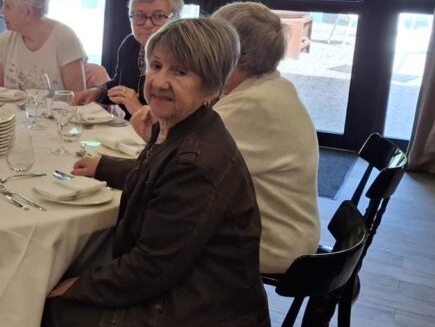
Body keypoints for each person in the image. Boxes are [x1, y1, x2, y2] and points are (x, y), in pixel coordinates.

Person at [45, 18, 269, 326]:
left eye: (180, 72)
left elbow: (150, 267)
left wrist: (79, 286)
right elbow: (159, 177)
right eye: (156, 65)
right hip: (195, 288)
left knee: (51, 306)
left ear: (211, 84)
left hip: (202, 310)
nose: (160, 82)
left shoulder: (196, 163)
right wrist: (103, 167)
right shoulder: (187, 126)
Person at [211, 2, 320, 274]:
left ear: (230, 52)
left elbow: (187, 164)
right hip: (293, 232)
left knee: (162, 234)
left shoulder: (252, 105)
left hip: (272, 243)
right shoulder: (274, 86)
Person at [76, 0, 183, 118]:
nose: (147, 24)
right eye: (140, 16)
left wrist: (138, 108)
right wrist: (99, 92)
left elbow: (181, 120)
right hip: (130, 127)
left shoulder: (182, 55)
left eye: (158, 16)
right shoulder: (130, 44)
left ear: (175, 18)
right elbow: (121, 83)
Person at [0, 0, 86, 92]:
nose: (1, 12)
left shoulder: (65, 39)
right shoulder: (4, 40)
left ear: (28, 12)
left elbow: (78, 99)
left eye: (7, 6)